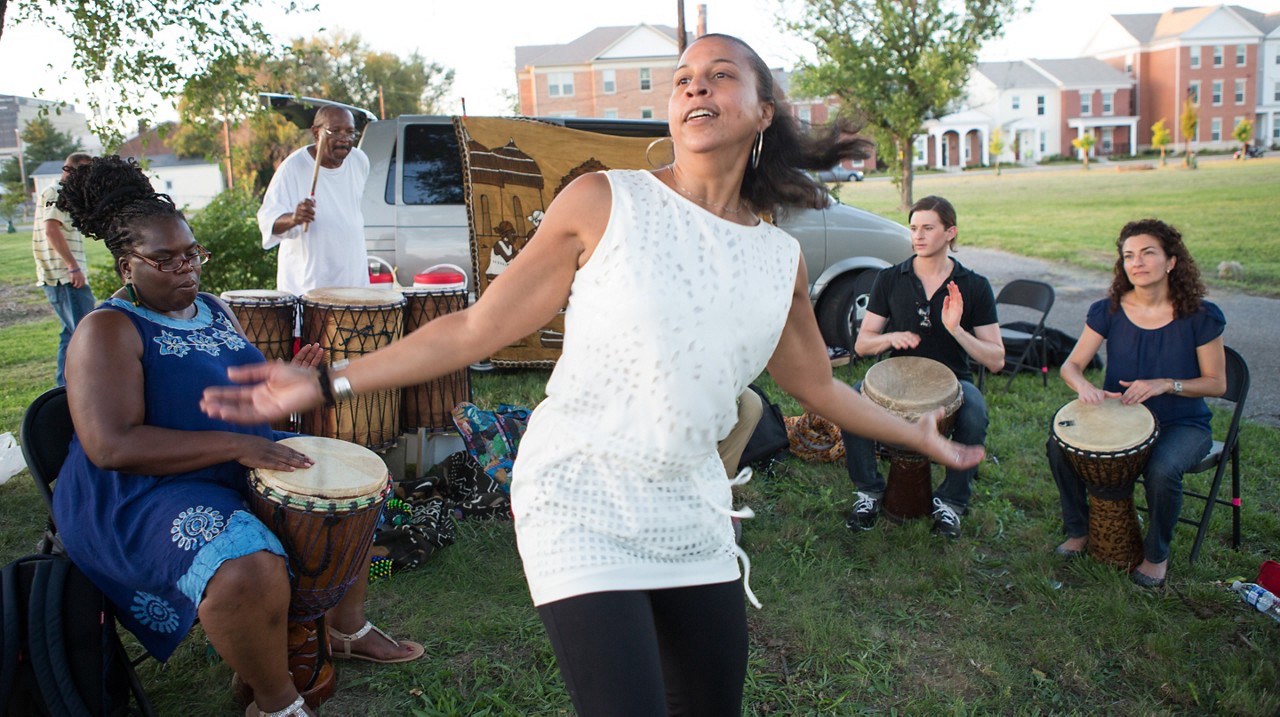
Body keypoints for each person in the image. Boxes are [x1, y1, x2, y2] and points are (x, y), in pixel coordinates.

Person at [204, 34, 983, 715]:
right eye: (682, 78)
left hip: (692, 507)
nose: (694, 86)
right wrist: (329, 379)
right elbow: (476, 328)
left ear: (764, 110)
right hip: (580, 495)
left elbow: (819, 388)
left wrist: (914, 432)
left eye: (718, 75)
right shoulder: (606, 200)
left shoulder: (779, 258)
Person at [54, 156, 421, 717]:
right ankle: (276, 702)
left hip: (235, 461)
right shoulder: (106, 329)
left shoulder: (215, 310)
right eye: (165, 260)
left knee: (358, 496)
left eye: (192, 254)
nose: (187, 270)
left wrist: (289, 381)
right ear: (127, 266)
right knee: (248, 563)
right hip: (144, 489)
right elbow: (112, 446)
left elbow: (234, 395)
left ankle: (347, 628)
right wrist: (239, 445)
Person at [1049, 218, 1226, 588]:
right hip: (1120, 418)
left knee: (1162, 470)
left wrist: (1167, 384)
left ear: (1171, 261)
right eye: (1128, 255)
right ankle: (1079, 530)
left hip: (1183, 423)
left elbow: (1216, 383)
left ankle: (1156, 554)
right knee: (1058, 446)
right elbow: (1072, 365)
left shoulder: (1199, 316)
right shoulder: (1108, 310)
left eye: (1148, 253)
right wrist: (1083, 386)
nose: (1137, 262)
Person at [842, 196, 1005, 538]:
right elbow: (862, 343)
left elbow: (995, 359)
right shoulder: (890, 278)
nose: (918, 235)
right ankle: (868, 492)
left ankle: (951, 503)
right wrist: (891, 338)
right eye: (914, 228)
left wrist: (957, 329)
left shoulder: (974, 286)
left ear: (950, 233)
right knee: (851, 405)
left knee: (974, 413)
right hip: (895, 382)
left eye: (928, 228)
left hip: (954, 380)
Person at [258, 106, 370, 296]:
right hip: (308, 284)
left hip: (352, 279)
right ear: (316, 133)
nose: (344, 138)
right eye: (334, 131)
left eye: (350, 132)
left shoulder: (360, 161)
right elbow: (268, 222)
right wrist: (294, 218)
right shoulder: (292, 168)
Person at [32, 152, 96, 387]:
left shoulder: (67, 196)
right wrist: (72, 267)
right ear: (69, 170)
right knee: (84, 333)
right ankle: (82, 386)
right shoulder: (55, 192)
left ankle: (64, 387)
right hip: (63, 277)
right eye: (84, 171)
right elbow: (51, 230)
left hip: (66, 275)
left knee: (69, 335)